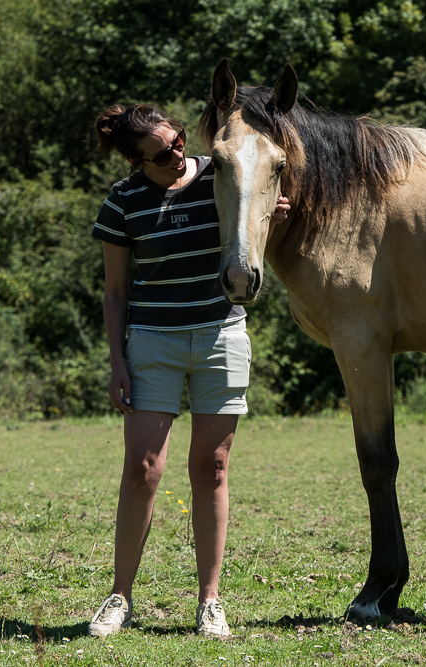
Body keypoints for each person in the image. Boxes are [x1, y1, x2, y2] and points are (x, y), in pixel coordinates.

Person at [88, 103, 290, 638]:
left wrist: (271, 211)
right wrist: (116, 362)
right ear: (136, 161)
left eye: (177, 140)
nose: (177, 154)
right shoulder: (123, 201)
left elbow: (254, 203)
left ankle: (210, 601)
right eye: (161, 154)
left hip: (222, 337)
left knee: (213, 468)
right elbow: (114, 292)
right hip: (152, 340)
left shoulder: (219, 174)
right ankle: (120, 597)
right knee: (143, 471)